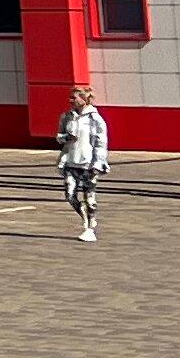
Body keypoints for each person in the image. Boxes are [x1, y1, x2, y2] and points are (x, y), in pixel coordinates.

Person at [56, 83, 111, 241]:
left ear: (84, 99)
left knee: (89, 197)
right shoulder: (67, 116)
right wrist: (67, 138)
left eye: (74, 97)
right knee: (70, 195)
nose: (71, 100)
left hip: (88, 164)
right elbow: (59, 137)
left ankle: (90, 228)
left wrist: (98, 163)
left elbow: (101, 143)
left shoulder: (95, 119)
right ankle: (85, 218)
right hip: (70, 162)